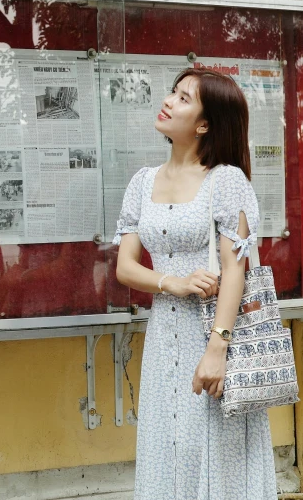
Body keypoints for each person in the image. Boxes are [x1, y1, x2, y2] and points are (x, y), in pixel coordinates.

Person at [114, 68, 277, 500]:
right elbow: (126, 268)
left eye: (184, 98)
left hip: (211, 335)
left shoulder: (226, 180)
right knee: (165, 448)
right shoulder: (141, 182)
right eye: (173, 92)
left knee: (211, 451)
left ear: (204, 124)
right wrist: (174, 282)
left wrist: (217, 350)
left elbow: (236, 269)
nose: (169, 101)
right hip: (163, 337)